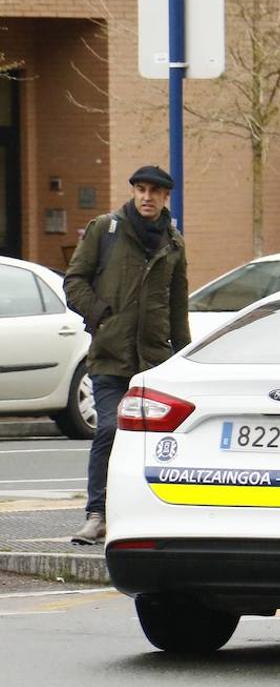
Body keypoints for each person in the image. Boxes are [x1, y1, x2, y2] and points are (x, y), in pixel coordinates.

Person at [64, 165, 190, 545]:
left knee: (159, 442)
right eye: (141, 189)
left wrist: (182, 356)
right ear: (133, 192)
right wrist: (101, 315)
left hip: (153, 360)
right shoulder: (106, 230)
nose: (146, 197)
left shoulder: (173, 242)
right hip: (110, 354)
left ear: (166, 197)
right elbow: (74, 281)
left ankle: (151, 513)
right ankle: (97, 514)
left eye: (154, 191)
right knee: (110, 429)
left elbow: (177, 304)